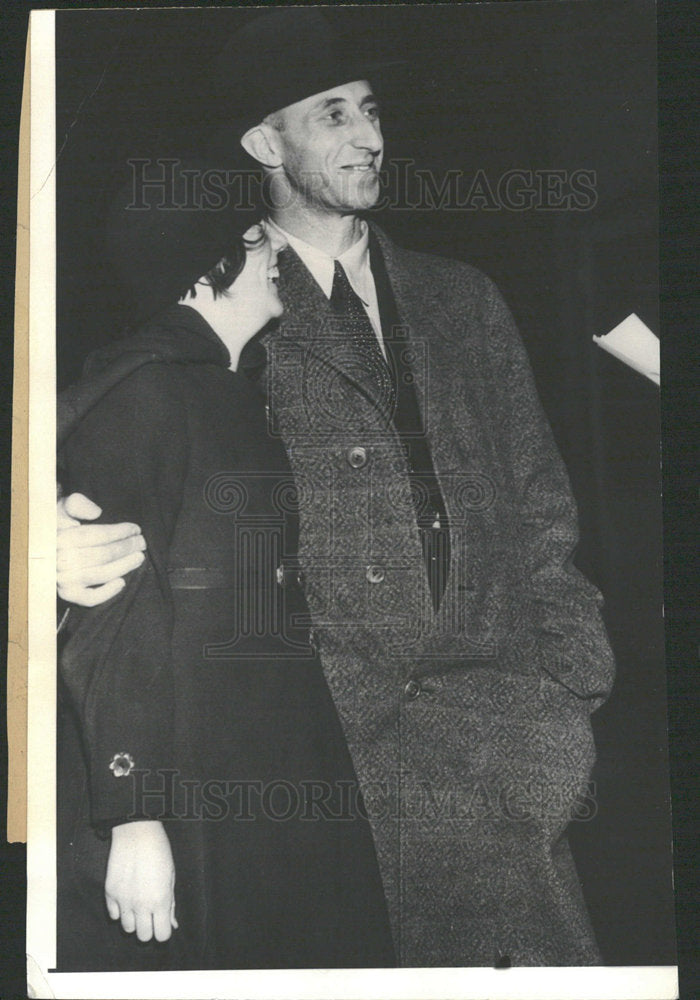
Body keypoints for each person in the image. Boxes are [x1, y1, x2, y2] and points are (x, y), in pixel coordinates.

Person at [57, 10, 616, 967]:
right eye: (332, 115)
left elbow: (540, 508)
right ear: (263, 142)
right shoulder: (220, 302)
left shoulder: (463, 298)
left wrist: (567, 694)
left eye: (370, 108)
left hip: (507, 751)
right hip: (331, 769)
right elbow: (102, 436)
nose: (369, 136)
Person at [56, 164, 395, 971]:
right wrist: (137, 819)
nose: (270, 251)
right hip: (201, 775)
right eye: (250, 242)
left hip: (269, 752)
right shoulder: (146, 396)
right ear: (198, 275)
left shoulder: (227, 386)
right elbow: (113, 611)